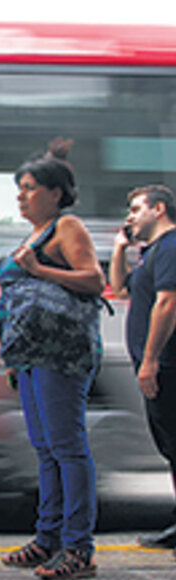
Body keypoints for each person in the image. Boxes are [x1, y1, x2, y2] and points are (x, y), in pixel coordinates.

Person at [0, 139, 105, 580]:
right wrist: (10, 357)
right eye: (19, 189)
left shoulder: (68, 227)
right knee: (44, 450)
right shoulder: (34, 234)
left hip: (60, 354)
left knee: (68, 448)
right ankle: (48, 538)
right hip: (28, 356)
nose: (21, 197)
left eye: (29, 188)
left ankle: (78, 547)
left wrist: (40, 269)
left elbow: (94, 280)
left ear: (56, 192)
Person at [108, 184, 176, 554]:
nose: (130, 217)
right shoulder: (151, 254)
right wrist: (120, 248)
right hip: (156, 366)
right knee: (170, 448)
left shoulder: (171, 248)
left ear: (159, 209)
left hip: (168, 365)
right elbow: (119, 289)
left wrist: (150, 360)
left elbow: (167, 304)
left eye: (136, 209)